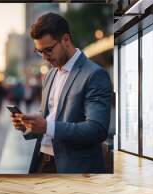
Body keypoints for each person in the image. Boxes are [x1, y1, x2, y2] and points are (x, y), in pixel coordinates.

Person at [10, 13, 112, 173]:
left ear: (66, 39)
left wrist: (47, 127)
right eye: (39, 51)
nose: (44, 57)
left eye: (48, 50)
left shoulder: (94, 74)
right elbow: (48, 117)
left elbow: (97, 129)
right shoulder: (50, 74)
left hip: (74, 168)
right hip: (42, 163)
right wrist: (28, 125)